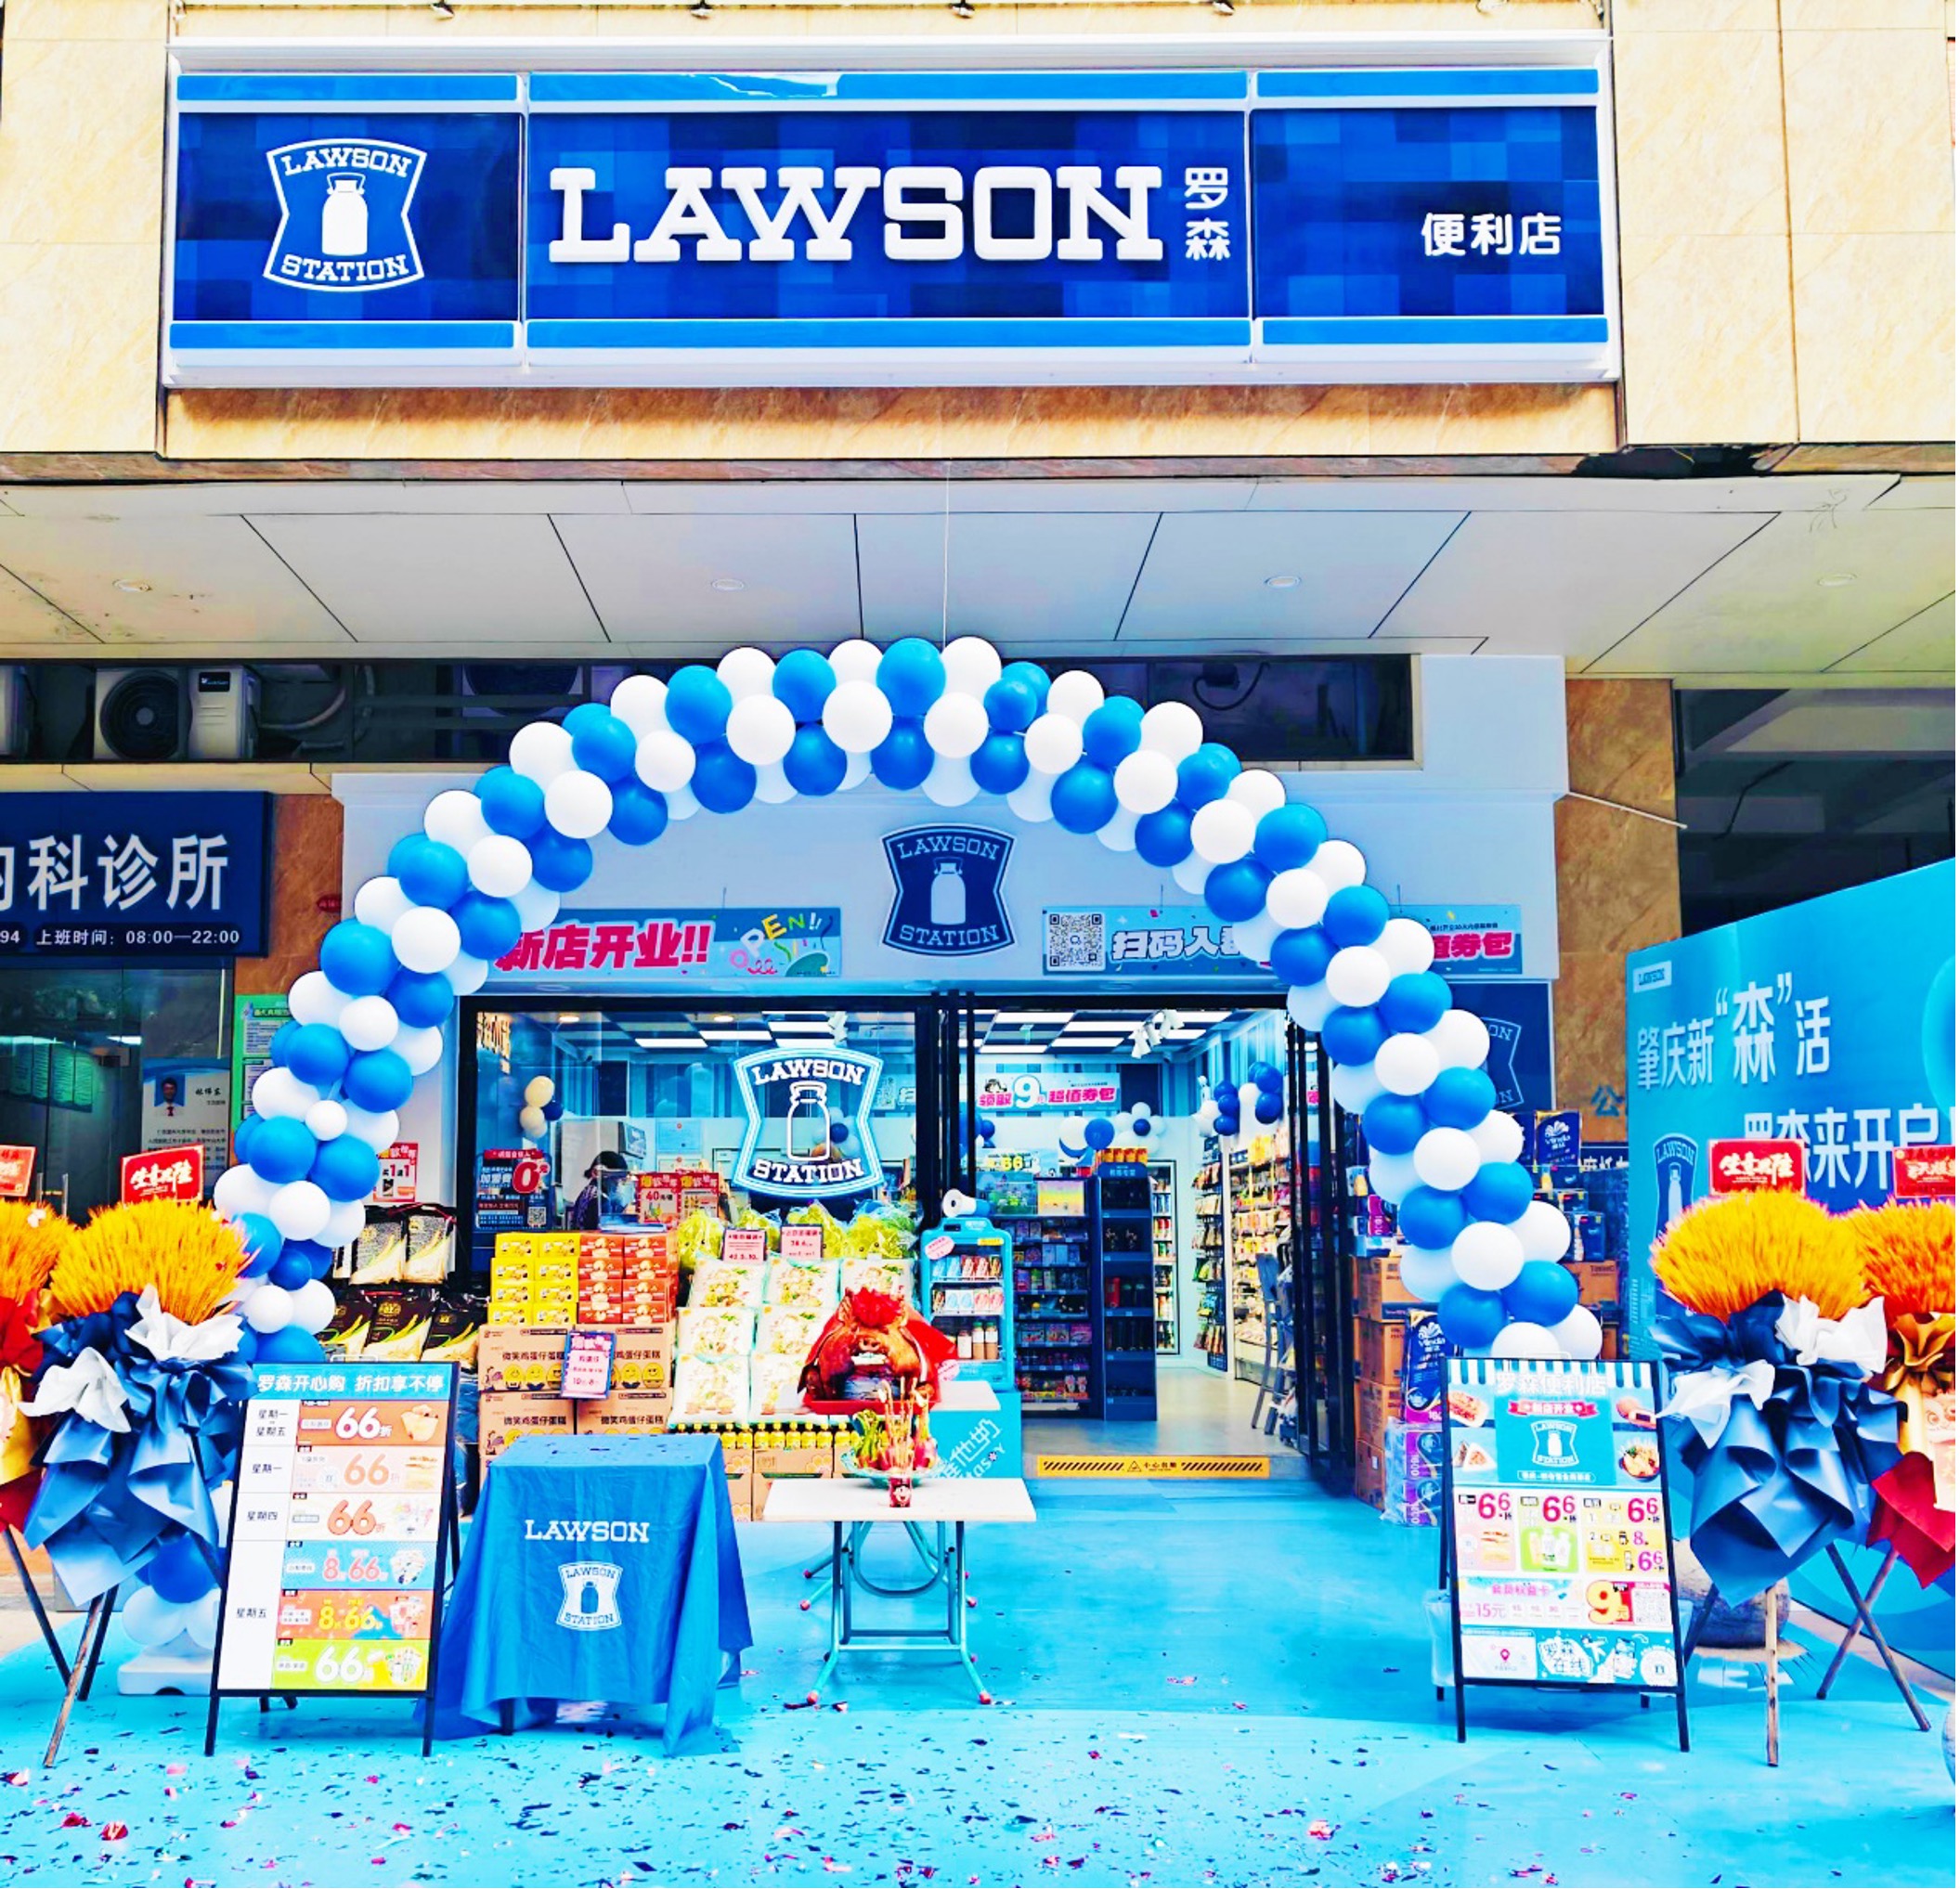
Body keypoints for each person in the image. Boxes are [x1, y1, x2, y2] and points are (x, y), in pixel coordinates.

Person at [566, 1149, 628, 1230]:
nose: (618, 1182)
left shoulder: (587, 1192)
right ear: (598, 1173)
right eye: (616, 1177)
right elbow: (604, 1230)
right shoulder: (601, 1200)